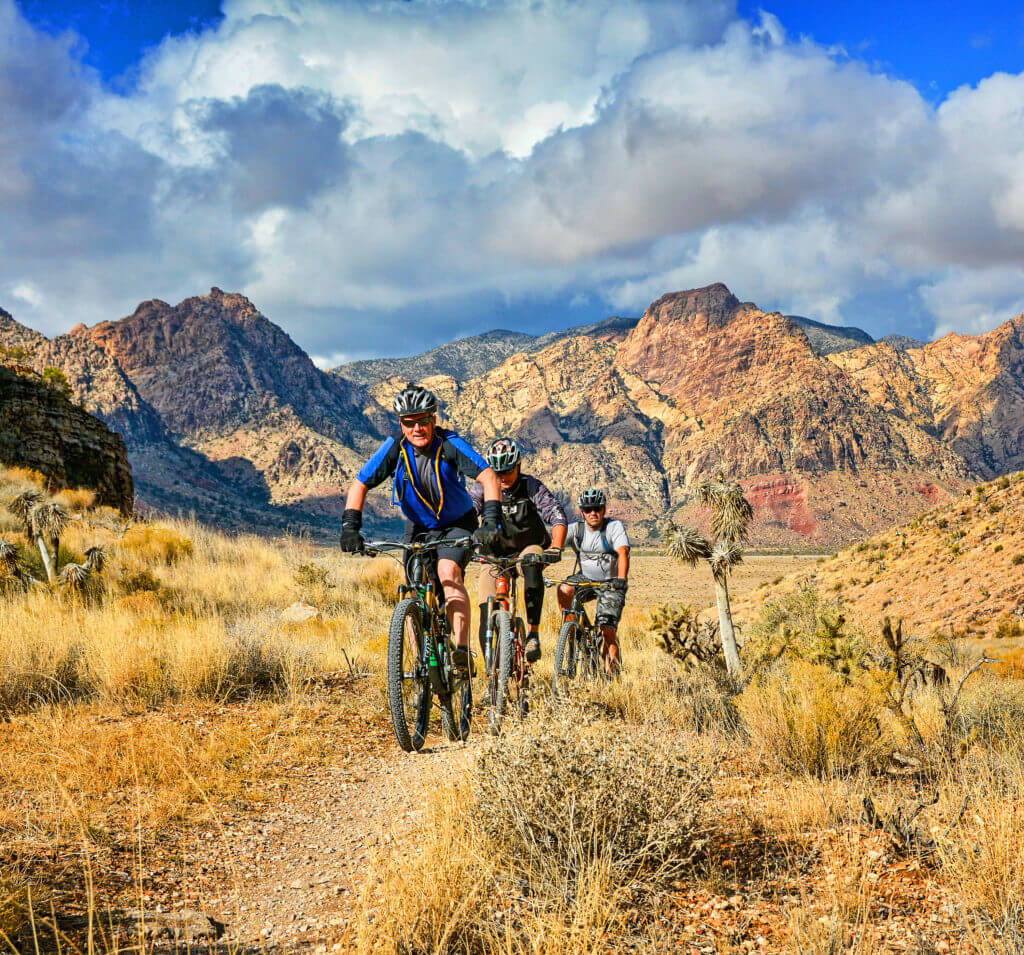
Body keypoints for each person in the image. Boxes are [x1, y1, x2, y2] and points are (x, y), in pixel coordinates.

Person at [339, 384, 502, 671]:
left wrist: (489, 522)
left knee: (448, 573)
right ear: (401, 424)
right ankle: (422, 665)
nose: (417, 428)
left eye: (423, 420)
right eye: (409, 422)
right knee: (413, 591)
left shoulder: (449, 443)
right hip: (419, 526)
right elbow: (360, 483)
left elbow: (489, 477)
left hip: (457, 523)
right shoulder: (395, 448)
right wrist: (350, 526)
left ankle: (462, 652)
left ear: (433, 420)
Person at [469, 437, 567, 663]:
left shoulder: (531, 486)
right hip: (494, 553)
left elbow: (557, 515)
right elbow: (469, 512)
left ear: (518, 466)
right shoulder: (482, 488)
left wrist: (556, 546)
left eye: (507, 471)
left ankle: (533, 634)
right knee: (485, 611)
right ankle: (493, 675)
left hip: (527, 547)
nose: (502, 477)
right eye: (497, 472)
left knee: (532, 562)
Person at [556, 488, 630, 675]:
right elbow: (554, 545)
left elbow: (623, 552)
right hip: (585, 578)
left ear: (604, 509)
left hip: (611, 581)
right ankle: (573, 632)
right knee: (564, 589)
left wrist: (621, 580)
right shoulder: (577, 529)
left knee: (607, 629)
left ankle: (611, 680)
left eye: (597, 509)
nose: (593, 513)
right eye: (588, 510)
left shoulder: (613, 527)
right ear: (582, 512)